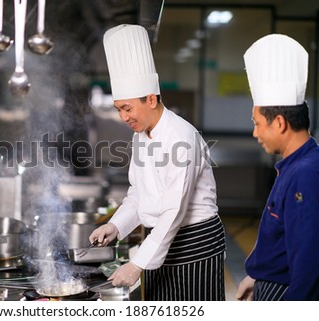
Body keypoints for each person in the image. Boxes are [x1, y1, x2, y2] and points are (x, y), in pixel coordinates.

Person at [89, 24, 226, 301]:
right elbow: (138, 193)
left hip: (193, 244)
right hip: (158, 242)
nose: (123, 117)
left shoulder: (180, 136)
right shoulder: (141, 135)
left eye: (127, 108)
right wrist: (115, 226)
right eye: (118, 110)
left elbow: (174, 209)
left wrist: (138, 263)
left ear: (151, 99)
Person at [236, 34, 319, 301]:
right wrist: (257, 275)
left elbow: (308, 260)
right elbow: (284, 241)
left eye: (258, 123)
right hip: (269, 285)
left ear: (280, 123)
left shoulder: (305, 173)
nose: (254, 132)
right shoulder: (296, 165)